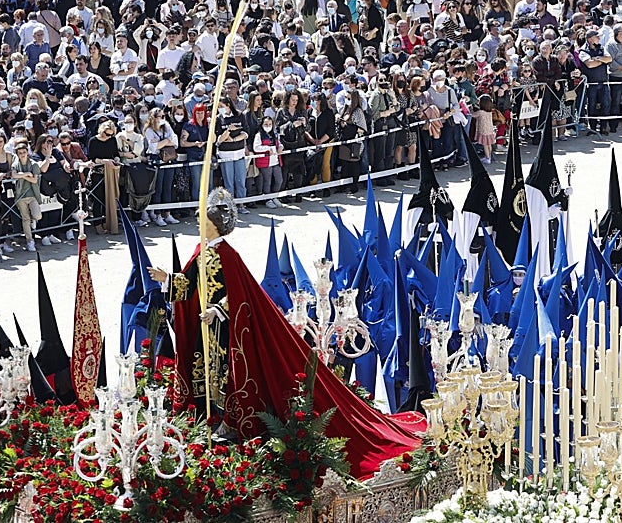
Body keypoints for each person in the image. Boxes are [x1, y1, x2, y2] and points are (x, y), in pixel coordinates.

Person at [148, 188, 424, 477]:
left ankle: (229, 420)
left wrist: (218, 310)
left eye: (203, 221)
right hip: (204, 329)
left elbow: (240, 294)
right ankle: (211, 415)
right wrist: (167, 279)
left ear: (215, 224)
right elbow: (188, 284)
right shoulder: (200, 252)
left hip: (223, 327)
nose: (198, 225)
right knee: (206, 370)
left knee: (225, 373)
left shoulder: (228, 256)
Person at [10, 139, 42, 252]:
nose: (22, 155)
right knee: (25, 219)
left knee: (37, 215)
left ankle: (34, 220)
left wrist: (23, 175)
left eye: (24, 152)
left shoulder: (33, 164)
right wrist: (26, 174)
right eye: (20, 153)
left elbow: (34, 180)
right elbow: (14, 175)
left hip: (33, 194)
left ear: (27, 152)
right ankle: (30, 241)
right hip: (21, 196)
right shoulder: (15, 164)